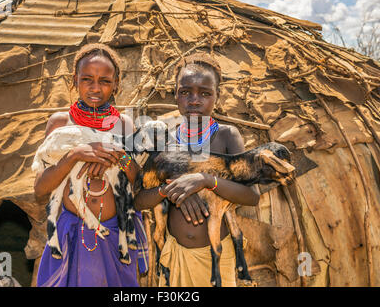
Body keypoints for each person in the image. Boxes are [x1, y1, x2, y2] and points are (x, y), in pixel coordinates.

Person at [134, 53, 260, 287]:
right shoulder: (165, 140)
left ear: (217, 97)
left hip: (215, 260)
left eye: (205, 93)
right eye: (185, 92)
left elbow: (251, 196)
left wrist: (204, 180)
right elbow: (139, 200)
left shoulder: (226, 136)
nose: (194, 100)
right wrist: (171, 190)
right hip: (174, 256)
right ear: (175, 95)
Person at [34, 43, 146, 287]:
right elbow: (40, 189)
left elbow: (139, 182)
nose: (96, 88)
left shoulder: (125, 124)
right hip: (72, 234)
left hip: (115, 237)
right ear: (75, 80)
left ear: (116, 83)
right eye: (87, 79)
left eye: (105, 81)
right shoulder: (60, 123)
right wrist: (75, 154)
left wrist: (118, 156)